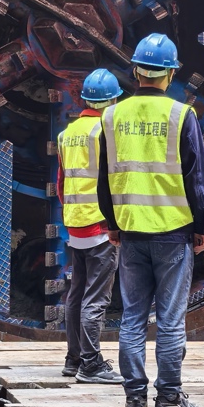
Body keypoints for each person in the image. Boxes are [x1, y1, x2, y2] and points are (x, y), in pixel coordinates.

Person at [97, 33, 204, 407]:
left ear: (135, 71)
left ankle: (133, 396)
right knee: (169, 320)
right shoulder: (182, 115)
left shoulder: (111, 117)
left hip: (130, 234)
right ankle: (169, 397)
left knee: (131, 317)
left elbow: (105, 179)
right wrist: (202, 226)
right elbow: (198, 180)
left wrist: (113, 224)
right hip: (173, 232)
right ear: (170, 75)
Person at [57, 69, 124, 385]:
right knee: (96, 298)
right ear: (110, 100)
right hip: (100, 226)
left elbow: (60, 183)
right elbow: (115, 180)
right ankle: (92, 364)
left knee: (76, 294)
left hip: (75, 224)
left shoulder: (66, 133)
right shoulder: (107, 131)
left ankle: (73, 359)